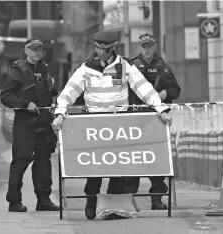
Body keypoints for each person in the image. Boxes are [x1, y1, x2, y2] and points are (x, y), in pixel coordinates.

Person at [52, 30, 172, 220]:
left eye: (103, 50)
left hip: (119, 124)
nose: (100, 53)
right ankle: (91, 199)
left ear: (111, 49)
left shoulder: (124, 66)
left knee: (118, 167)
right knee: (94, 167)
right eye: (97, 49)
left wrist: (161, 109)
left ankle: (114, 206)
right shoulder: (86, 68)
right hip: (94, 124)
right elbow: (69, 91)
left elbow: (144, 89)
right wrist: (60, 113)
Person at [0, 38, 60, 212]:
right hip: (25, 121)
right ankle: (14, 201)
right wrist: (25, 104)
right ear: (26, 51)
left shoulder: (44, 68)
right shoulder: (18, 70)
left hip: (43, 120)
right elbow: (5, 96)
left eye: (40, 49)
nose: (38, 53)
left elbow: (50, 93)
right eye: (34, 50)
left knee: (43, 160)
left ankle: (44, 200)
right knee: (21, 159)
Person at [124, 33, 180, 210]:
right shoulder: (131, 65)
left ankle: (157, 199)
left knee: (157, 161)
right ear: (139, 47)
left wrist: (165, 94)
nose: (146, 49)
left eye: (149, 46)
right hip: (135, 119)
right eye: (143, 46)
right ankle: (128, 199)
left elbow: (175, 90)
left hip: (156, 119)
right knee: (133, 161)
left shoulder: (162, 66)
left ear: (154, 47)